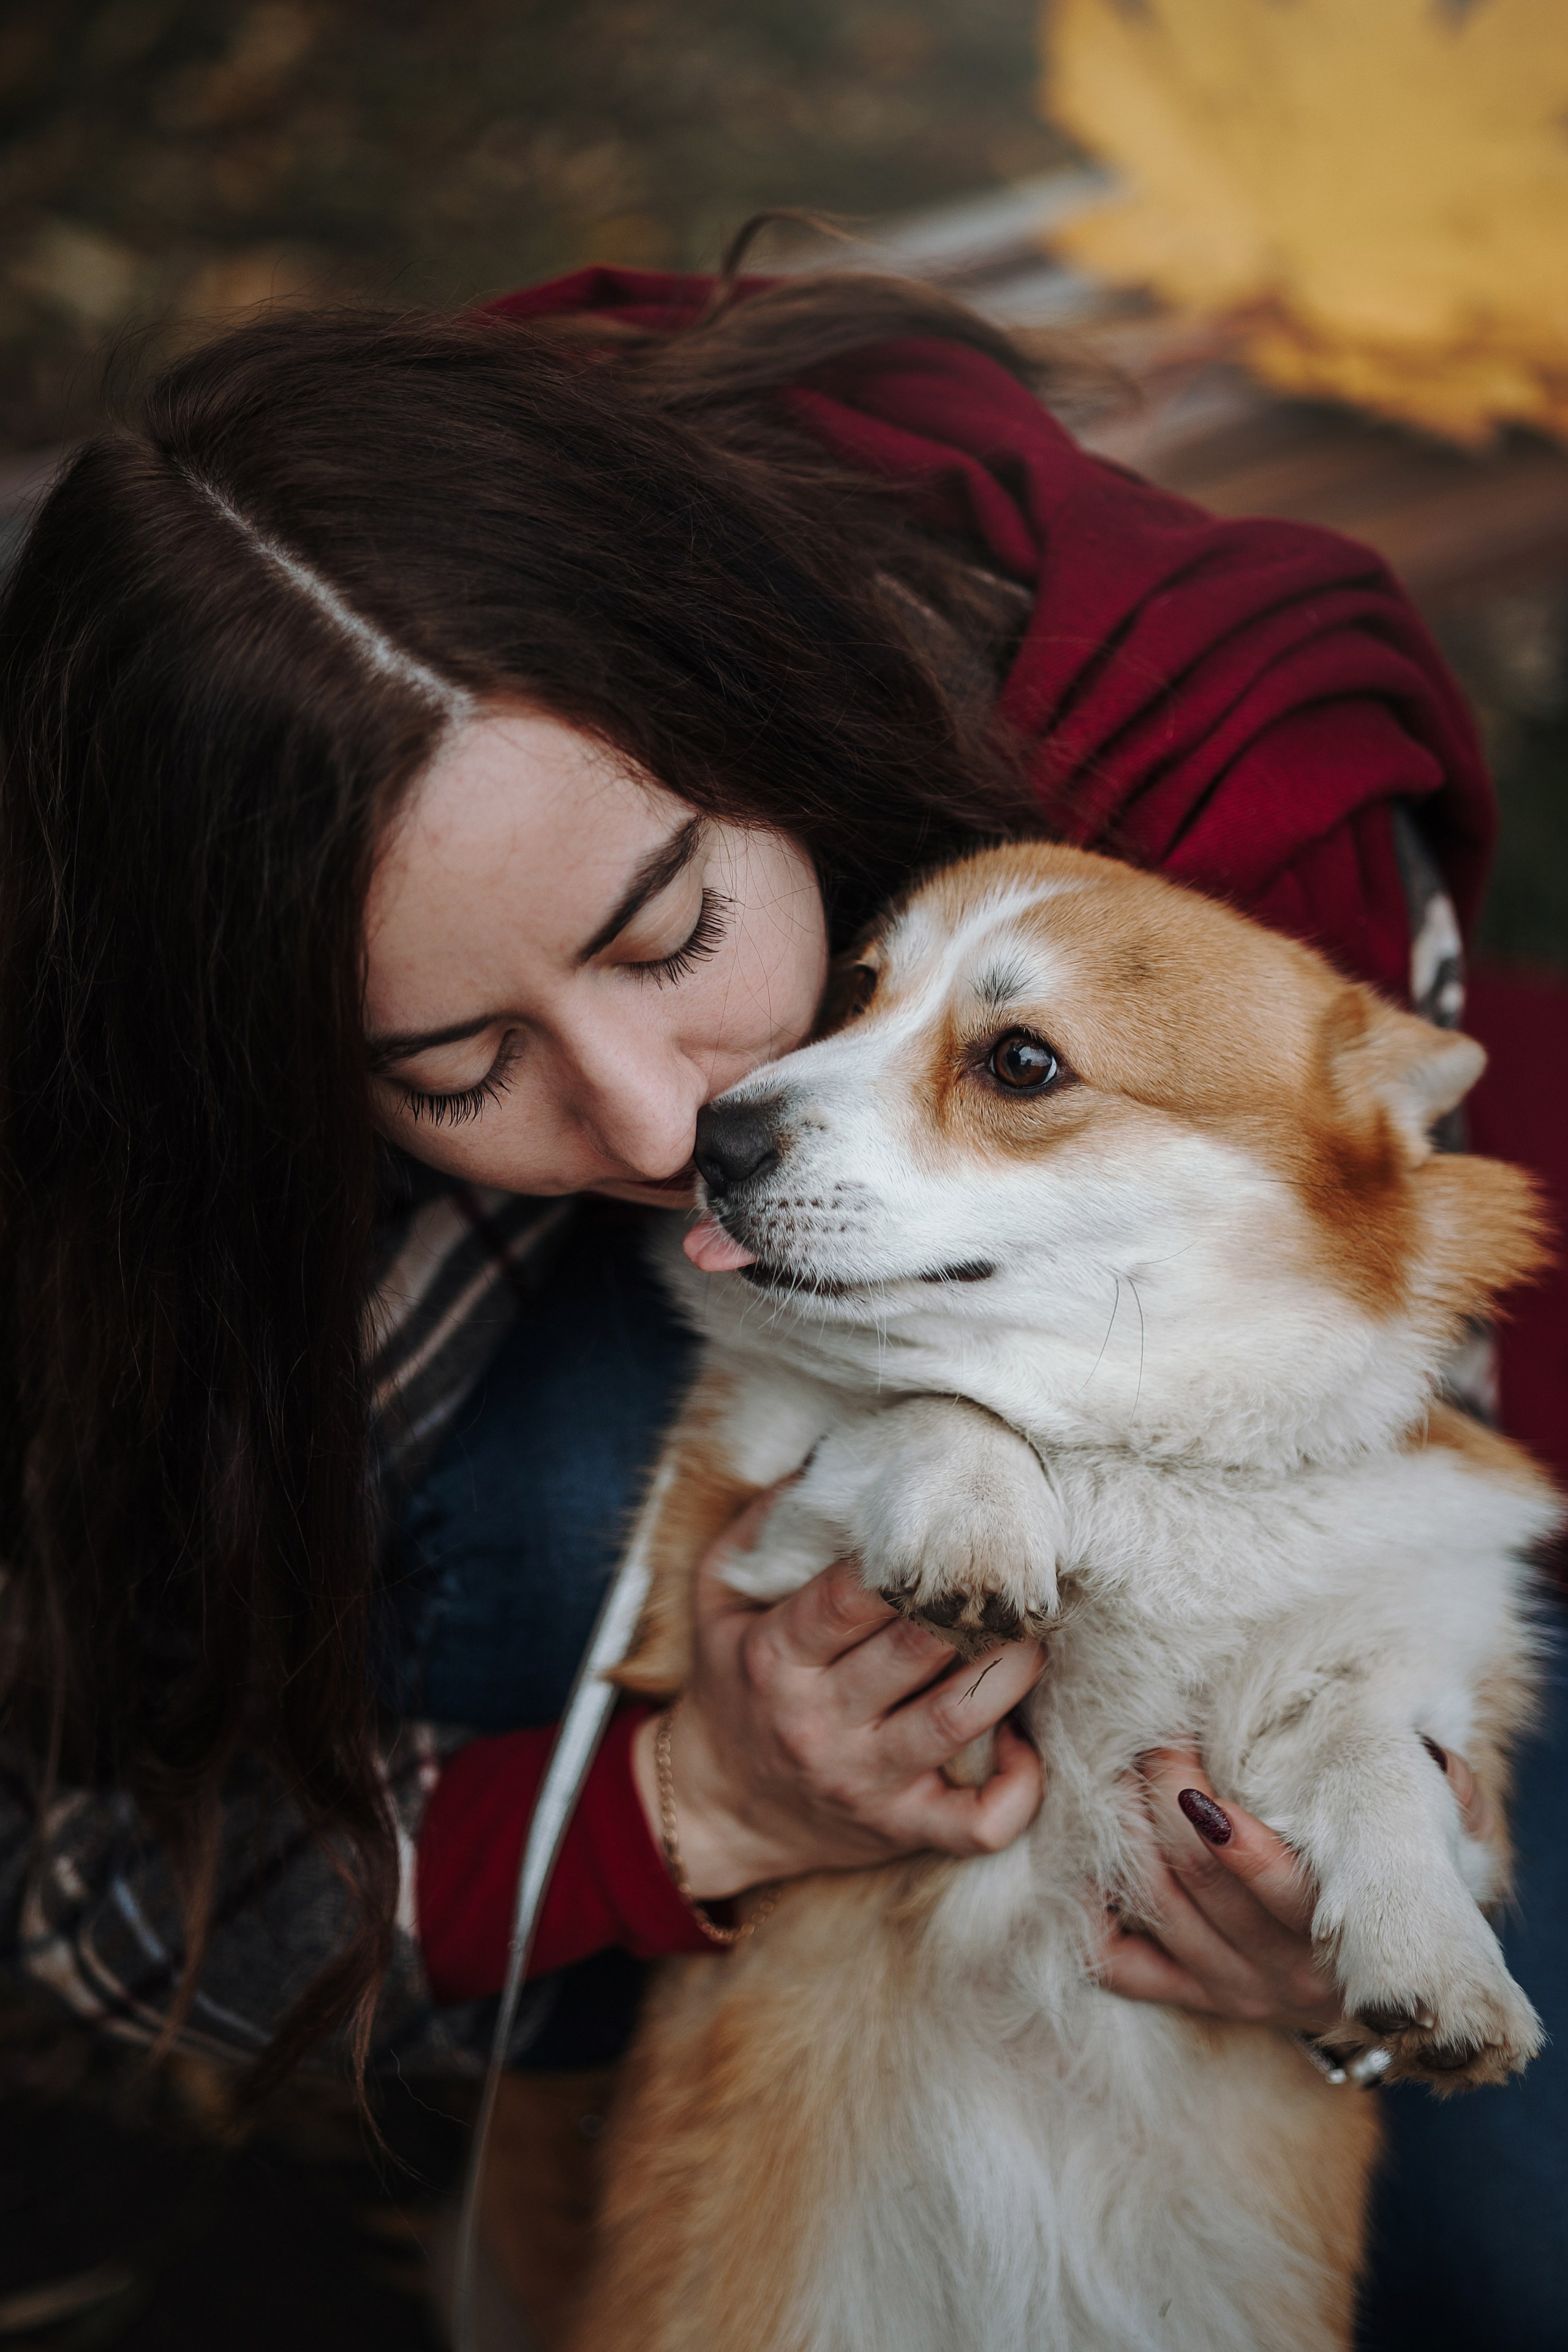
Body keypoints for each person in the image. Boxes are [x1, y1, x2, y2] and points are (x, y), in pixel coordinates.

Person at [0, 257, 1556, 2346]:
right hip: (713, 1834)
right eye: (457, 1063)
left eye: (671, 934)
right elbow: (87, 1878)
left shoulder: (1208, 792)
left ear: (768, 721)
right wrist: (687, 1809)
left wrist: (1359, 1912)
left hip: (1234, 1612)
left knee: (1512, 2264)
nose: (664, 1120)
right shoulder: (180, 1151)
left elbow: (1382, 1446)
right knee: (581, 1495)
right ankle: (551, 2103)